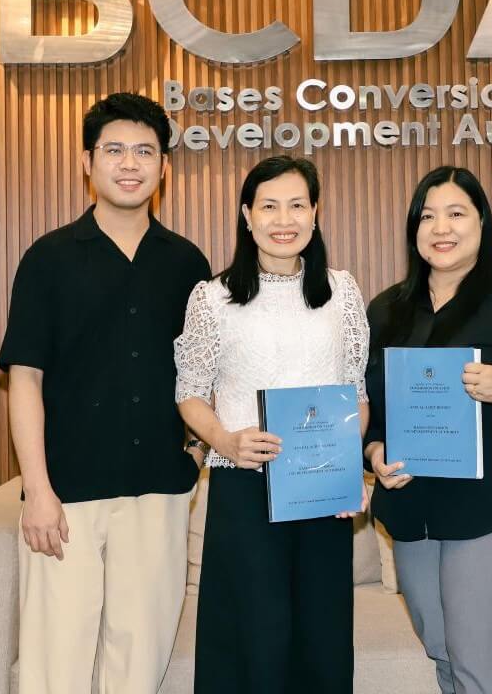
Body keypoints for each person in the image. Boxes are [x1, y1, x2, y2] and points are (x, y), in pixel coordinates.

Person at [0, 93, 211, 693]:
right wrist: (36, 490)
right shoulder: (48, 259)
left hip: (158, 490)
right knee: (54, 663)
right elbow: (24, 379)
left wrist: (194, 455)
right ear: (87, 162)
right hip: (66, 495)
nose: (130, 163)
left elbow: (202, 376)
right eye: (113, 149)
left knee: (139, 661)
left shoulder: (188, 264)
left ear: (165, 167)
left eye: (145, 151)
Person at [363, 165, 492, 694]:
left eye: (456, 213)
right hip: (414, 507)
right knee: (442, 647)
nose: (442, 228)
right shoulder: (387, 310)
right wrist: (372, 453)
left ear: (482, 222)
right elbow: (372, 406)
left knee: (481, 656)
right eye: (428, 216)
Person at [175, 155, 369, 694]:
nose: (284, 219)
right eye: (269, 206)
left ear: (315, 213)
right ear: (246, 215)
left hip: (322, 492)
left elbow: (357, 394)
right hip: (245, 487)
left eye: (297, 205)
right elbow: (189, 393)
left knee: (322, 639)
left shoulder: (341, 292)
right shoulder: (212, 297)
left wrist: (347, 470)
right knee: (250, 640)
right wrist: (226, 441)